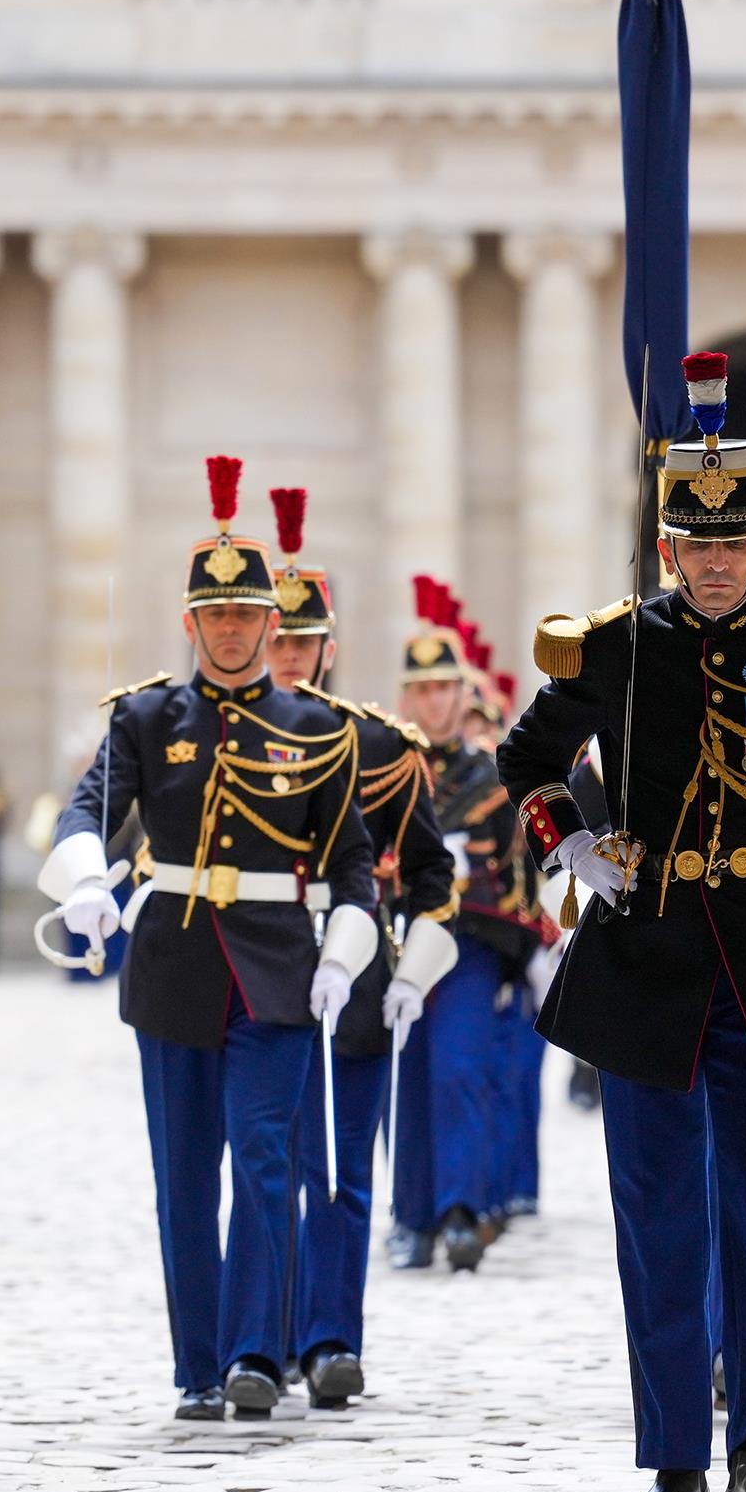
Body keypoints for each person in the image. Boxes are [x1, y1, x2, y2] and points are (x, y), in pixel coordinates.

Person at [502, 350, 746, 1492]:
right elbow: (526, 759)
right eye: (695, 547)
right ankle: (673, 1460)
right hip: (645, 955)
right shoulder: (614, 650)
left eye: (734, 547)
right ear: (669, 549)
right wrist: (572, 843)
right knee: (659, 1214)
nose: (715, 565)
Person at [32, 457, 386, 1422]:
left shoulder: (316, 729)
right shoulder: (147, 717)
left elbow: (352, 863)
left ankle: (255, 1357)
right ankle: (196, 1365)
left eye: (247, 617)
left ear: (274, 625)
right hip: (175, 967)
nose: (231, 631)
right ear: (190, 625)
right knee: (184, 1176)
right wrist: (83, 887)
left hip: (276, 968)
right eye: (214, 617)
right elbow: (86, 813)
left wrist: (345, 955)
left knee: (267, 1162)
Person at [258, 489, 455, 1409]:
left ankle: (333, 1340)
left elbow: (429, 872)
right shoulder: (223, 742)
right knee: (272, 1170)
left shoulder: (379, 747)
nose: (288, 656)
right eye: (276, 641)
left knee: (340, 1170)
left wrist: (413, 967)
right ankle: (270, 1336)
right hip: (257, 976)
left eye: (303, 643)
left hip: (361, 977)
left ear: (328, 649)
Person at [393, 585, 543, 1272]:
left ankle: (460, 1209)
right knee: (408, 1076)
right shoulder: (387, 769)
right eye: (421, 690)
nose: (433, 702)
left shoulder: (490, 776)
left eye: (444, 688)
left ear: (462, 694)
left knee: (459, 1072)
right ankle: (412, 1215)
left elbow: (516, 871)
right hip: (399, 945)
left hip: (469, 947)